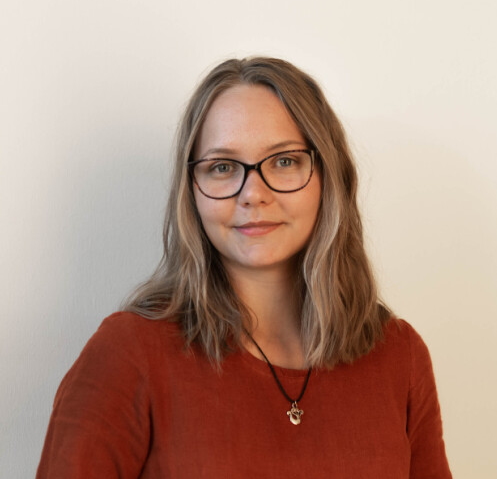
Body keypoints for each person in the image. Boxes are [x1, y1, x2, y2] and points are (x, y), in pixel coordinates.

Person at [36, 57, 452, 478]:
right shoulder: (128, 355)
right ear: (192, 190)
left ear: (328, 174)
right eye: (222, 167)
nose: (253, 193)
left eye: (284, 161)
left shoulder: (399, 356)